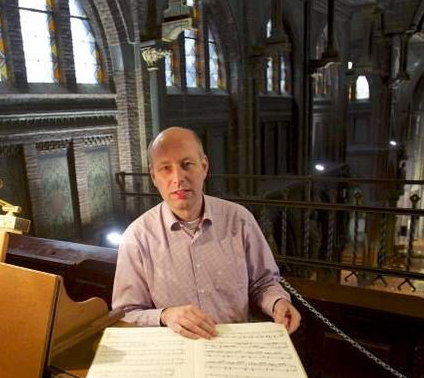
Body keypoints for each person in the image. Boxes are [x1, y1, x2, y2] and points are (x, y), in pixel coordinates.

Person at [112, 126, 301, 339]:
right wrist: (165, 315)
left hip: (235, 346)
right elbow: (126, 313)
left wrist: (277, 303)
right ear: (153, 176)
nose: (178, 178)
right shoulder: (137, 237)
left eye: (187, 165)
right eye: (165, 168)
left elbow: (264, 283)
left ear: (204, 166)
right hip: (178, 355)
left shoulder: (239, 220)